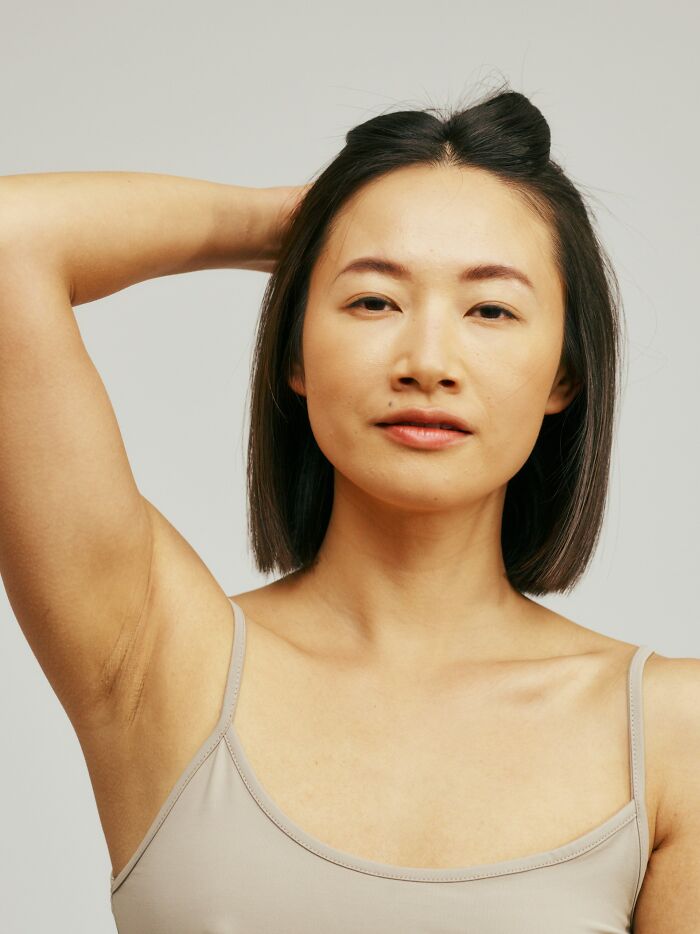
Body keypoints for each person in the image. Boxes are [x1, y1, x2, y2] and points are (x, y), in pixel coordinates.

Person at [0, 85, 697, 933]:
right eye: (373, 299)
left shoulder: (672, 734)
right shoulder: (157, 661)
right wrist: (286, 226)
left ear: (563, 377)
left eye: (490, 309)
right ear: (294, 350)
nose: (427, 360)